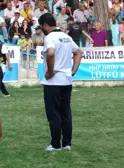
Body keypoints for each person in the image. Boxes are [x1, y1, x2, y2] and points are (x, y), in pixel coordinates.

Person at [38, 13, 82, 151]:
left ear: (45, 25)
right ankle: (67, 143)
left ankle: (56, 144)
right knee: (66, 113)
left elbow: (50, 54)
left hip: (54, 82)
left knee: (54, 114)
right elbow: (78, 52)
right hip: (66, 80)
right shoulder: (66, 37)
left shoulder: (50, 37)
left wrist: (50, 71)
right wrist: (73, 70)